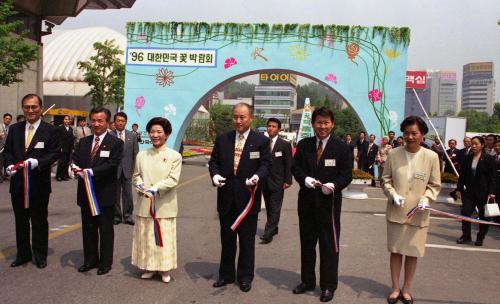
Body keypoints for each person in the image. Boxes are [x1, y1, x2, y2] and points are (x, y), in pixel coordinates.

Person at [291, 107, 353, 303]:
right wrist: (304, 179)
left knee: (329, 247)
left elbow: (346, 174)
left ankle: (328, 286)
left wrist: (334, 185)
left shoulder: (342, 148)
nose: (322, 126)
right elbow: (295, 167)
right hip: (307, 204)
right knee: (307, 245)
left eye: (326, 123)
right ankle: (307, 281)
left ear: (332, 124)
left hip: (329, 205)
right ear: (313, 124)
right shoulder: (304, 145)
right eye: (319, 122)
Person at [208, 103, 271, 292]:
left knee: (246, 240)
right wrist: (215, 175)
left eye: (242, 117)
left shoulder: (260, 141)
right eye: (235, 117)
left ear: (251, 118)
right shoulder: (223, 139)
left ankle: (245, 276)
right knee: (227, 239)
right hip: (226, 198)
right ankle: (226, 274)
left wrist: (257, 176)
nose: (238, 121)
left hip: (248, 199)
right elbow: (214, 162)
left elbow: (266, 165)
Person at [381, 116, 441, 304]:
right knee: (396, 251)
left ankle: (406, 289)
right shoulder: (394, 154)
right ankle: (395, 288)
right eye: (406, 133)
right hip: (397, 211)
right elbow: (385, 180)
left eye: (414, 133)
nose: (410, 137)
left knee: (412, 252)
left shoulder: (431, 157)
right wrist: (392, 194)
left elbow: (434, 184)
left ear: (422, 135)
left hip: (419, 212)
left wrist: (426, 198)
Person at [3, 94, 60, 268]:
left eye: (34, 107)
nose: (30, 110)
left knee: (39, 221)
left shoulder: (50, 130)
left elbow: (54, 153)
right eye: (27, 107)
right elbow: (8, 152)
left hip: (39, 185)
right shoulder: (15, 129)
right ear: (23, 109)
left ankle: (40, 255)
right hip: (18, 185)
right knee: (20, 221)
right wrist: (8, 166)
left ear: (40, 108)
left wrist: (38, 162)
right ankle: (23, 254)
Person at [72, 107, 123, 275]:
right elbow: (76, 160)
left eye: (100, 121)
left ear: (108, 123)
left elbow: (112, 164)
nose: (96, 124)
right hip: (85, 194)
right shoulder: (84, 142)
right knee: (88, 228)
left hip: (104, 194)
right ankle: (90, 260)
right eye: (93, 120)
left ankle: (105, 263)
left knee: (106, 229)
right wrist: (73, 168)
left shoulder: (116, 143)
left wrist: (91, 172)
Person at [132, 117, 182, 283]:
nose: (155, 135)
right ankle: (149, 267)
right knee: (146, 237)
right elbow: (136, 176)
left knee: (163, 238)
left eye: (159, 132)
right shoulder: (141, 155)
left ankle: (164, 269)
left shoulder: (174, 156)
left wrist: (156, 188)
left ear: (166, 134)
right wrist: (141, 186)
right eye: (152, 131)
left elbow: (173, 179)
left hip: (164, 205)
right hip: (145, 204)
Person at [455, 136, 496, 246]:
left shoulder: (489, 159)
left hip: (484, 193)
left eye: (476, 144)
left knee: (483, 216)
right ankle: (466, 236)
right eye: (472, 144)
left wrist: (492, 192)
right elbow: (462, 175)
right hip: (469, 192)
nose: (473, 146)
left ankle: (480, 237)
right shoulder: (467, 158)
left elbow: (493, 177)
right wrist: (459, 189)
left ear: (482, 145)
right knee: (465, 212)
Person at [260, 118, 293, 244]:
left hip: (278, 182)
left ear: (279, 129)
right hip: (264, 181)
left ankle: (268, 233)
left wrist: (288, 180)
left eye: (274, 126)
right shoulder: (262, 143)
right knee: (269, 207)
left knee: (275, 207)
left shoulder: (284, 145)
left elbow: (289, 163)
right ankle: (274, 228)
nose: (271, 128)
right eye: (269, 126)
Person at [112, 112, 139, 225]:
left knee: (128, 194)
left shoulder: (132, 136)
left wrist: (135, 169)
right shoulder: (110, 135)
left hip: (128, 170)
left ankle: (128, 216)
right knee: (115, 194)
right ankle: (116, 216)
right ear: (115, 122)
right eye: (118, 120)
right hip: (113, 171)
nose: (120, 122)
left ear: (126, 122)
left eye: (122, 121)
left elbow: (135, 153)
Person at [56, 115, 75, 181]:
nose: (67, 121)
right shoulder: (60, 128)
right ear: (63, 120)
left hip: (69, 148)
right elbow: (58, 139)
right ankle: (59, 176)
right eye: (66, 119)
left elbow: (72, 139)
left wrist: (72, 148)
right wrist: (59, 147)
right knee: (61, 162)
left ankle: (65, 176)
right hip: (62, 148)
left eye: (68, 119)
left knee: (67, 162)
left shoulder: (71, 129)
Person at [0, 113, 13, 182]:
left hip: (7, 148)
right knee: (0, 162)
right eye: (6, 118)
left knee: (6, 162)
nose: (8, 120)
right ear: (4, 119)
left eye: (9, 119)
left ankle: (5, 175)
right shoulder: (0, 126)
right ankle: (0, 177)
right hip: (0, 148)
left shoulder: (10, 128)